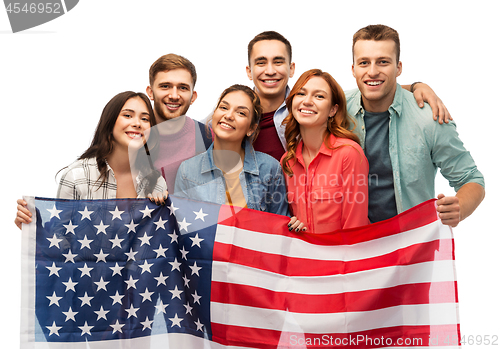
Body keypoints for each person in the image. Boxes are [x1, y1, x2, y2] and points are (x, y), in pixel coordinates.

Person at [347, 24, 485, 226]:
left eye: (383, 62)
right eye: (364, 63)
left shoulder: (430, 118)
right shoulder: (336, 109)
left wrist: (459, 208)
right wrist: (416, 86)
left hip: (413, 246)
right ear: (353, 69)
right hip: (354, 244)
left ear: (398, 67)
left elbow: (472, 179)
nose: (373, 71)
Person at [246, 31, 451, 161]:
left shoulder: (306, 108)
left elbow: (370, 89)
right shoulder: (233, 115)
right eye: (261, 62)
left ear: (291, 69)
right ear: (249, 71)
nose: (270, 71)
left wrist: (416, 86)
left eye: (278, 62)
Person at [15, 91, 168, 229]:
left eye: (145, 118)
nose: (137, 123)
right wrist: (32, 228)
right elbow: (59, 241)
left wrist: (164, 204)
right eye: (127, 115)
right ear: (110, 123)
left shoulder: (156, 182)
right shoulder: (76, 176)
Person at [175, 84, 288, 216]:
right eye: (223, 107)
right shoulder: (187, 171)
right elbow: (181, 225)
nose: (229, 115)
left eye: (241, 113)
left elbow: (281, 227)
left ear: (251, 129)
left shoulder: (270, 168)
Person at [282, 69, 369, 234]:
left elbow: (355, 228)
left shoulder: (349, 154)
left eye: (319, 96)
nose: (307, 101)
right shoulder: (287, 161)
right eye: (301, 93)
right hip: (303, 257)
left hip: (342, 257)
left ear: (333, 110)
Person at [146, 54, 212, 190]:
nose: (174, 96)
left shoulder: (207, 137)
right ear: (150, 92)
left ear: (193, 97)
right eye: (165, 86)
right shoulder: (132, 135)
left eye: (183, 88)